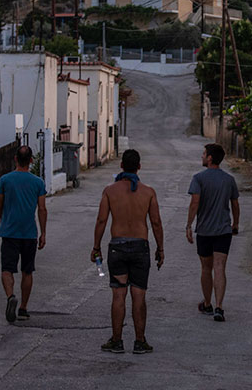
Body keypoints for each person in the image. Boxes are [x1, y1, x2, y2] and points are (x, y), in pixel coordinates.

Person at [92, 149, 164, 354]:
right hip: (140, 247)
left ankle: (117, 341)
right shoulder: (148, 192)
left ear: (121, 166)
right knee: (139, 295)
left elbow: (101, 221)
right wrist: (160, 248)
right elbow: (156, 223)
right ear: (139, 167)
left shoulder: (110, 191)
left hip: (118, 248)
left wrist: (96, 247)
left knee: (118, 295)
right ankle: (140, 341)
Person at [186, 143, 239, 322]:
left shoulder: (199, 179)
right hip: (223, 230)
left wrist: (188, 225)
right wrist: (235, 224)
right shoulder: (229, 180)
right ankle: (219, 307)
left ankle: (207, 303)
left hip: (205, 231)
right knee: (220, 268)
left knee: (206, 268)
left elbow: (194, 203)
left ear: (210, 158)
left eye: (203, 154)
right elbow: (235, 204)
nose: (201, 156)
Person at [0, 145, 47, 323]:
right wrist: (43, 233)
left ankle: (10, 297)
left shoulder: (5, 180)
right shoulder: (38, 183)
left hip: (9, 232)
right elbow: (42, 209)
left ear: (15, 159)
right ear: (31, 160)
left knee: (7, 269)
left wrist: (4, 218)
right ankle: (23, 307)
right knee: (27, 271)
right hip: (29, 233)